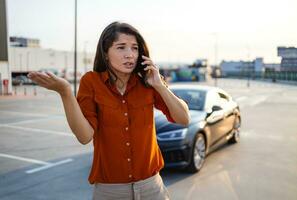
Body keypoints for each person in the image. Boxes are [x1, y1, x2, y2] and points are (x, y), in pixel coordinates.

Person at [28, 21, 190, 200]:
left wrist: (160, 85)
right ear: (106, 53)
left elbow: (183, 118)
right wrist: (65, 92)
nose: (130, 55)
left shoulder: (148, 82)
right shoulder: (91, 82)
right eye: (121, 47)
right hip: (110, 192)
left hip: (152, 187)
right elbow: (84, 136)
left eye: (134, 48)